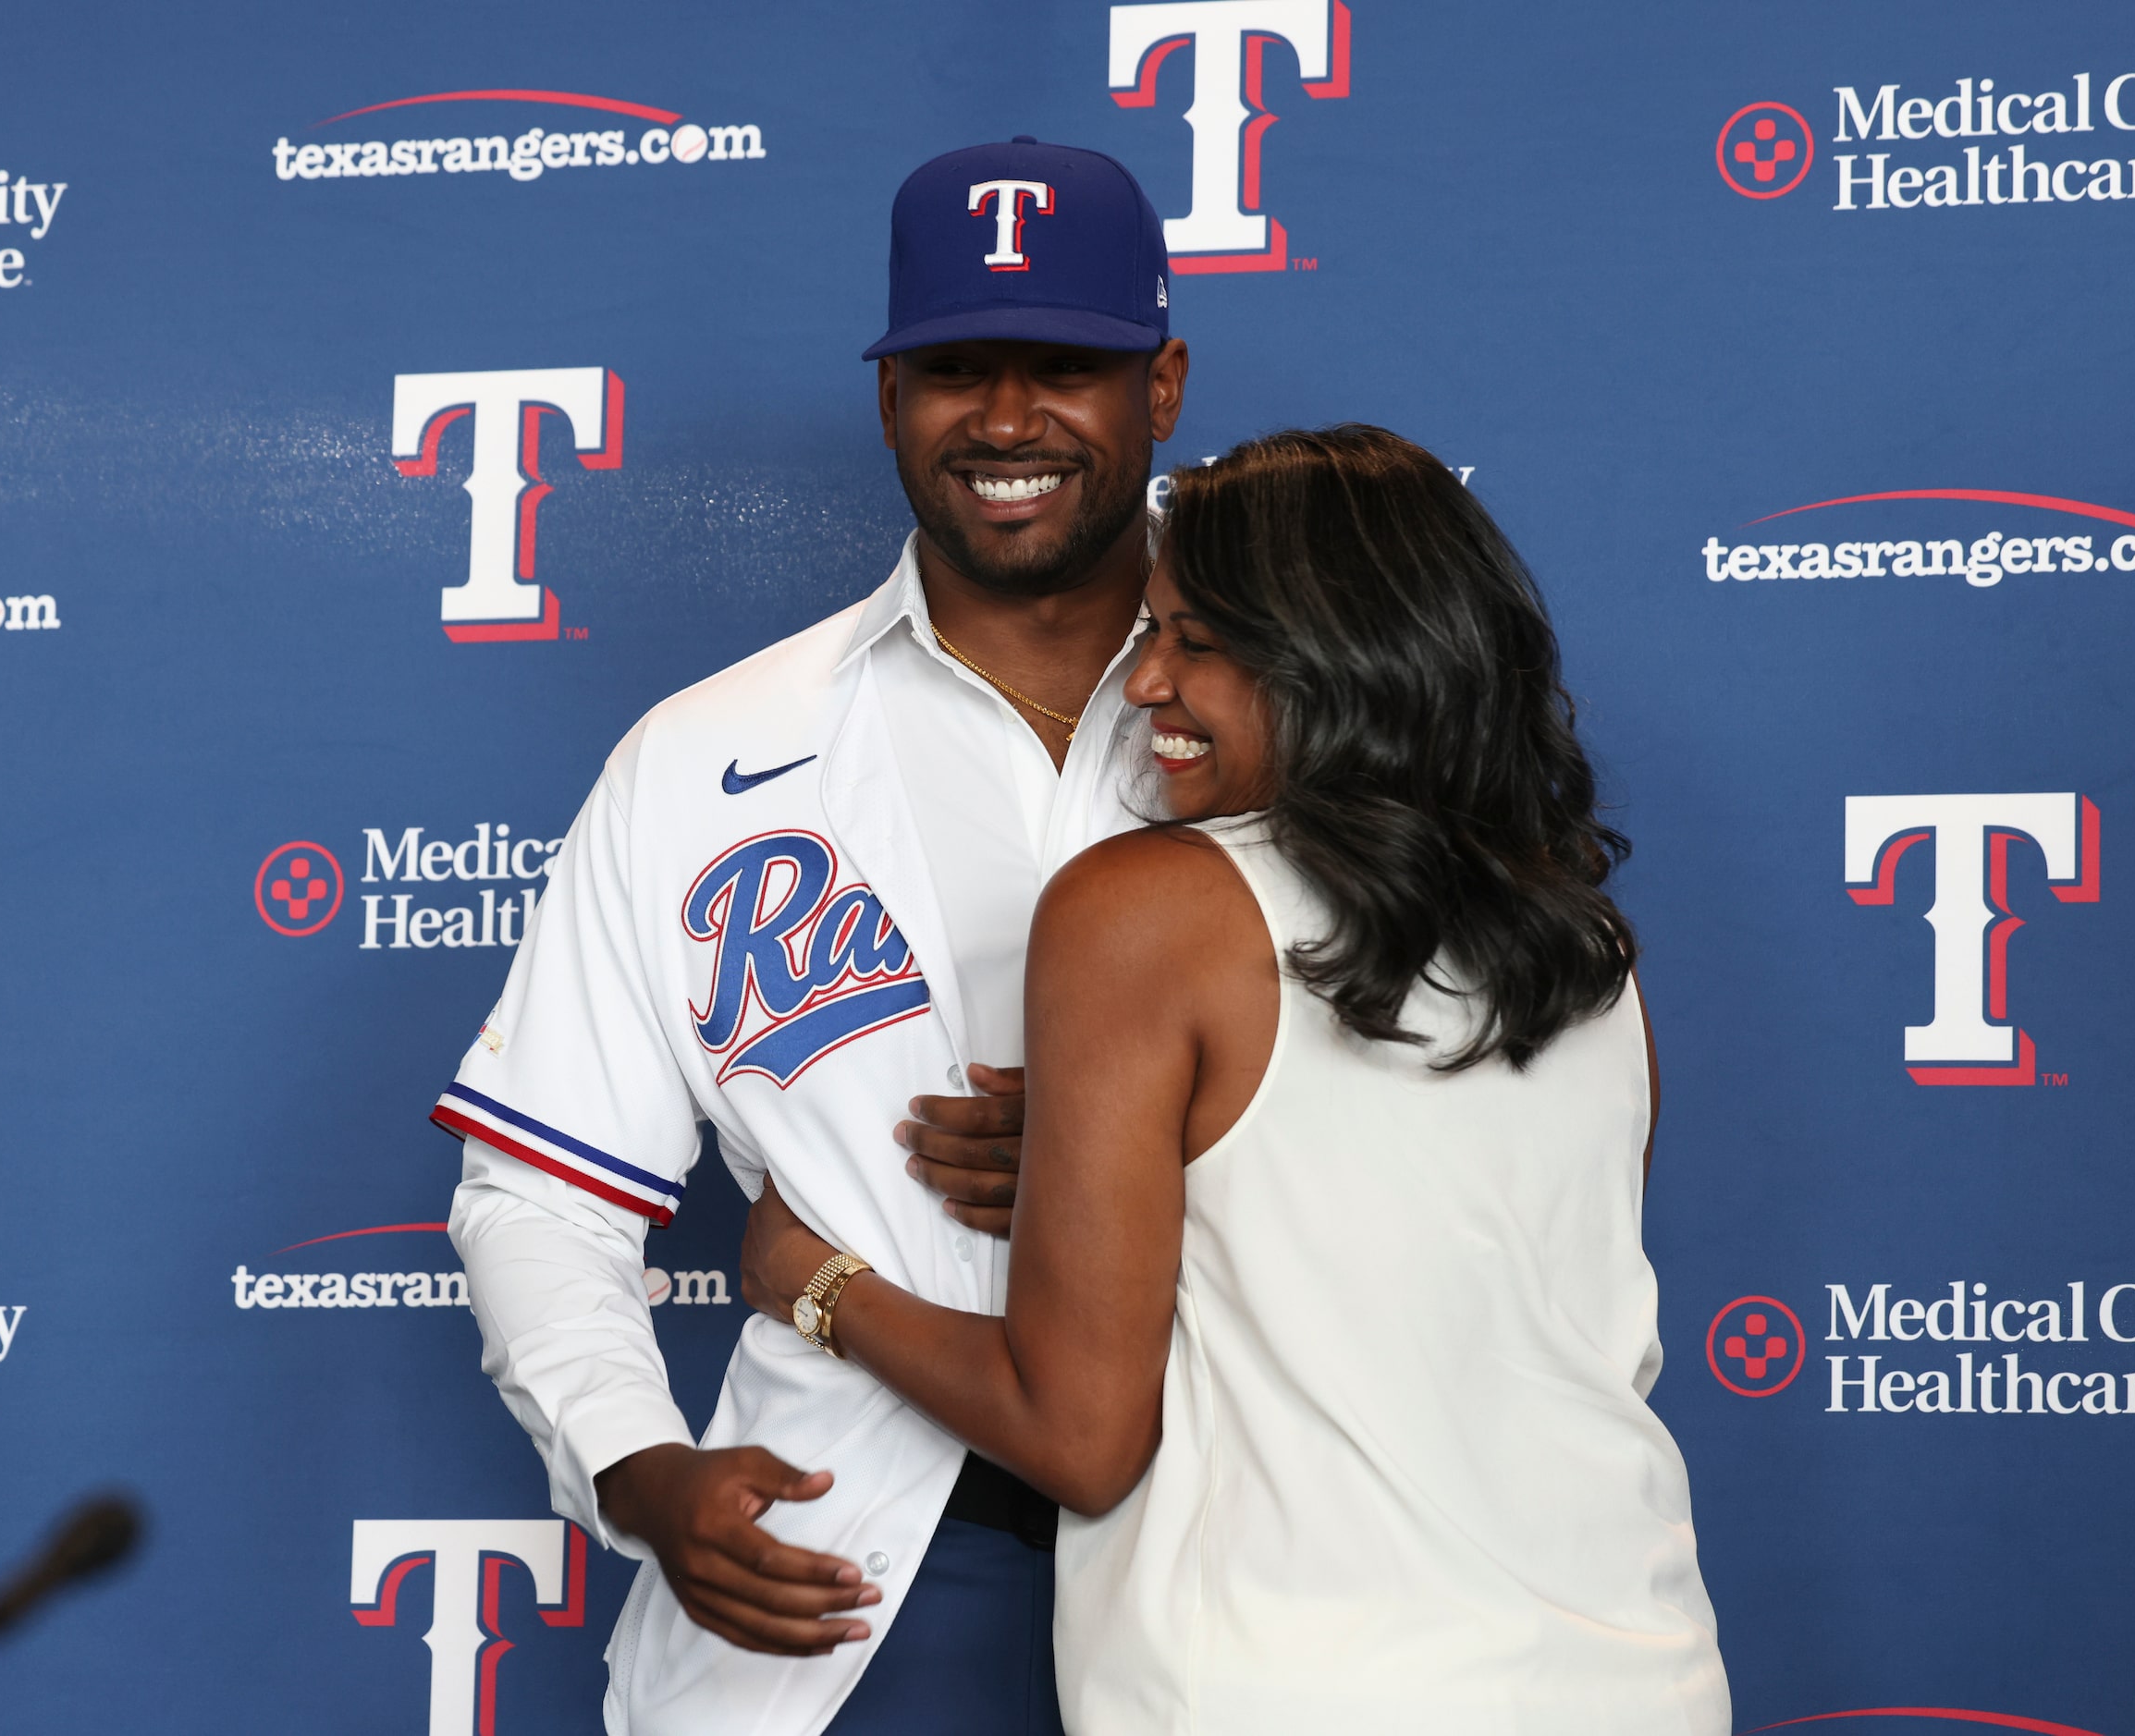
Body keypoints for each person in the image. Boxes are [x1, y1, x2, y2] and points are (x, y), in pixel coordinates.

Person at [737, 426, 1733, 1734]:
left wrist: (813, 1279)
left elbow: (1079, 1432)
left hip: (1296, 1691)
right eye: (1151, 629)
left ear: (1344, 649)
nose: (1142, 681)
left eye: (1194, 639)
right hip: (1639, 1677)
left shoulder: (1141, 907)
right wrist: (1130, 1151)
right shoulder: (1593, 953)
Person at [432, 138, 1187, 1735]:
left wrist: (1154, 1133)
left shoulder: (1320, 729)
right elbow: (541, 1189)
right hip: (860, 1567)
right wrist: (637, 1465)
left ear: (1163, 387)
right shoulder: (703, 756)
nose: (1004, 419)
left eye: (1063, 365)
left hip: (1242, 1539)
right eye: (951, 371)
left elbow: (1485, 1112)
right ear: (890, 395)